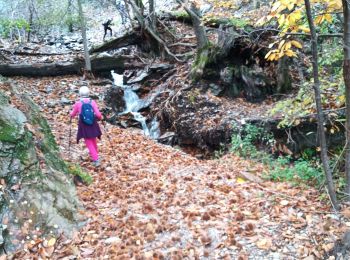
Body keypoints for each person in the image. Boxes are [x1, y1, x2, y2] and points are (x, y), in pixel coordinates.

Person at [70, 86, 102, 167]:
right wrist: (100, 118)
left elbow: (73, 114)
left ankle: (96, 159)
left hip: (84, 125)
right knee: (93, 140)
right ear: (88, 93)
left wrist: (70, 115)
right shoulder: (92, 102)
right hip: (93, 123)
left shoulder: (78, 103)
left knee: (88, 142)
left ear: (80, 94)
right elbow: (98, 114)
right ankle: (96, 156)